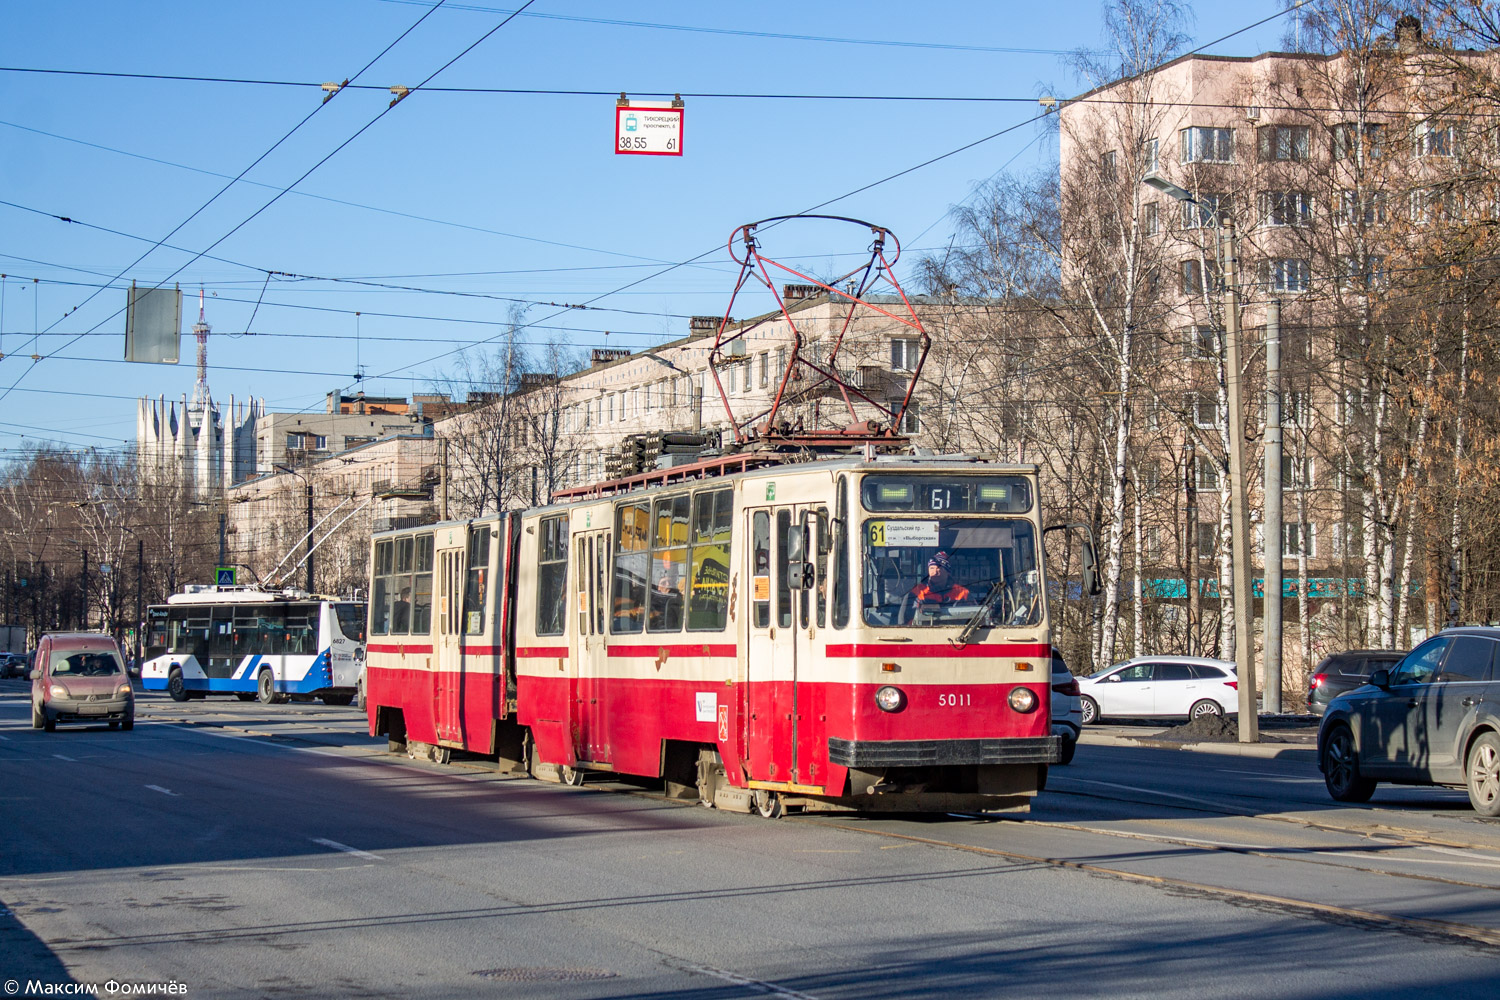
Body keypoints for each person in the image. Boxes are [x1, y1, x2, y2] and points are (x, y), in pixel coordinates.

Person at [900, 551, 970, 624]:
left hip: (957, 630)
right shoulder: (917, 592)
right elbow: (904, 621)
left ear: (948, 572)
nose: (935, 572)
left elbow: (973, 617)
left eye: (939, 568)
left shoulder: (963, 592)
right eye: (932, 568)